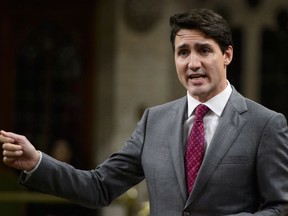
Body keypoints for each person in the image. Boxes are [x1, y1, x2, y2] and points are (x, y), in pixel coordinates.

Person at [1, 8, 288, 215]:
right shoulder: (155, 121)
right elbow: (99, 187)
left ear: (227, 54)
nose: (193, 63)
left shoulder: (266, 124)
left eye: (204, 50)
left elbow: (279, 207)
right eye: (183, 52)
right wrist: (37, 162)